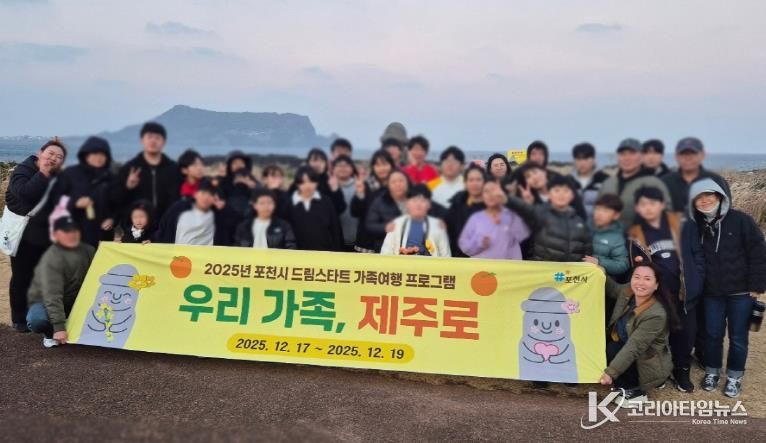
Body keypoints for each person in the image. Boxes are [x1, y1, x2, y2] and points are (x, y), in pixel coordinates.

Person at [689, 178, 766, 398]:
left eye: (709, 195)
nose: (704, 201)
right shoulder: (696, 226)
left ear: (719, 196)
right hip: (712, 293)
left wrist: (757, 285)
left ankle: (734, 377)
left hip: (741, 292)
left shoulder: (741, 220)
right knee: (712, 335)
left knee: (738, 337)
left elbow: (758, 253)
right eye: (699, 198)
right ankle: (712, 371)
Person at [627, 186, 705, 393]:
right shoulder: (635, 231)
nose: (648, 208)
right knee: (656, 335)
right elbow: (635, 264)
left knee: (684, 334)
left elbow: (698, 255)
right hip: (656, 294)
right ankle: (658, 372)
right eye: (643, 204)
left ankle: (682, 370)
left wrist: (697, 280)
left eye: (653, 203)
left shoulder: (684, 224)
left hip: (683, 291)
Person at [4, 139, 67, 332]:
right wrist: (43, 173)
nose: (53, 158)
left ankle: (40, 315)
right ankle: (19, 319)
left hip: (46, 236)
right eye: (50, 153)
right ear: (40, 153)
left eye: (59, 157)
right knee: (22, 277)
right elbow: (26, 194)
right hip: (23, 237)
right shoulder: (23, 171)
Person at [600, 263, 677, 408]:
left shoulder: (656, 314)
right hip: (626, 347)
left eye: (647, 279)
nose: (640, 282)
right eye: (637, 277)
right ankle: (624, 384)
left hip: (647, 361)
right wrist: (599, 270)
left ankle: (635, 391)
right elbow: (613, 288)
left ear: (656, 285)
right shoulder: (628, 292)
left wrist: (610, 373)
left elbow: (634, 347)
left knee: (613, 349)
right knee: (610, 346)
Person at [26, 216, 95, 348]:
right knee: (37, 321)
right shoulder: (51, 258)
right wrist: (59, 327)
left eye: (74, 231)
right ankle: (49, 333)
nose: (72, 235)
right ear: (56, 235)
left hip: (75, 299)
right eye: (66, 232)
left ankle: (73, 324)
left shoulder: (89, 250)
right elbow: (52, 295)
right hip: (47, 300)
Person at [507, 175, 592, 262]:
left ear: (572, 195)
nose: (561, 194)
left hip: (571, 270)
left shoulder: (580, 222)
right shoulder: (539, 213)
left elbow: (587, 251)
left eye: (566, 191)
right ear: (549, 194)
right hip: (543, 269)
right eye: (557, 190)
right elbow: (522, 209)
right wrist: (510, 197)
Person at [48, 136, 114, 248]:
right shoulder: (70, 173)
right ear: (86, 154)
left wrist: (113, 219)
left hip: (103, 235)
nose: (99, 158)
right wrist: (75, 203)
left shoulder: (110, 177)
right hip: (74, 231)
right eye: (95, 153)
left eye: (103, 154)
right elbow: (55, 198)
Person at [111, 122, 183, 224]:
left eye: (157, 138)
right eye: (149, 137)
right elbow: (115, 199)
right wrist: (127, 187)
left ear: (164, 142)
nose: (153, 141)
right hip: (137, 227)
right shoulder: (130, 168)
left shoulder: (174, 169)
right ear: (142, 140)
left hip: (168, 226)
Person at [598, 138, 671, 228]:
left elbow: (668, 212)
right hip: (608, 234)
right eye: (622, 154)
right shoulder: (608, 183)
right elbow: (597, 211)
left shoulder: (653, 183)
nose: (627, 158)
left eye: (632, 153)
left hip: (641, 235)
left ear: (642, 157)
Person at [154, 178, 239, 246]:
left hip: (207, 260)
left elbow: (236, 228)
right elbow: (163, 231)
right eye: (203, 193)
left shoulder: (219, 214)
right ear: (196, 194)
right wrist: (152, 241)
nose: (206, 198)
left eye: (211, 194)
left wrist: (225, 208)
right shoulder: (178, 209)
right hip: (179, 258)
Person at [458, 181, 530, 260]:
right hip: (481, 266)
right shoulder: (475, 218)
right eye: (486, 191)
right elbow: (463, 244)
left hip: (508, 266)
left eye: (494, 190)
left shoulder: (511, 215)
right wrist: (479, 244)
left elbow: (523, 234)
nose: (490, 195)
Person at [661, 137, 730, 212]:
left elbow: (726, 210)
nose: (688, 158)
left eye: (693, 153)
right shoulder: (664, 182)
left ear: (702, 155)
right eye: (683, 153)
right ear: (676, 156)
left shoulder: (716, 180)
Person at [380, 185, 450, 256]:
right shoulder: (396, 224)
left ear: (429, 204)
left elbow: (446, 255)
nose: (418, 205)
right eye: (414, 200)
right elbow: (385, 252)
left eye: (422, 201)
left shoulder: (437, 225)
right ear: (407, 203)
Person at [288, 166, 344, 251]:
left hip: (325, 253)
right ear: (297, 184)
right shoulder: (289, 204)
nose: (308, 186)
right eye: (303, 182)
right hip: (298, 255)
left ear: (317, 182)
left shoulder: (326, 201)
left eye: (311, 181)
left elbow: (335, 229)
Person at [351, 150, 396, 253]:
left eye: (385, 164)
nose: (382, 168)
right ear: (373, 167)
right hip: (366, 244)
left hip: (390, 244)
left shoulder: (397, 186)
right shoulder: (366, 185)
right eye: (378, 165)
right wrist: (360, 193)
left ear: (391, 165)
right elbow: (355, 212)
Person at [364, 169, 410, 253]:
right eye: (393, 182)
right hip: (386, 249)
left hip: (413, 247)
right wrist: (385, 227)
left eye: (401, 180)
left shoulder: (417, 199)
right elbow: (370, 225)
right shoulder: (379, 202)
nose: (398, 184)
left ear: (408, 182)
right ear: (388, 185)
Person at [445, 164, 487, 258]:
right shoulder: (457, 204)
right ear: (465, 183)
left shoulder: (493, 205)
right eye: (471, 180)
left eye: (478, 179)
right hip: (461, 259)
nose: (475, 183)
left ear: (484, 182)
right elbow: (451, 234)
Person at [586, 193, 630, 278]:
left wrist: (599, 262)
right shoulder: (584, 227)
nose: (599, 214)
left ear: (616, 215)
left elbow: (622, 265)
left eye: (605, 211)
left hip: (601, 279)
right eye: (597, 209)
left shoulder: (617, 238)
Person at [570, 142, 609, 218]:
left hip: (596, 223)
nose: (582, 163)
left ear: (594, 159)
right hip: (572, 223)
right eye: (578, 159)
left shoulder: (605, 179)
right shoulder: (568, 180)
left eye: (586, 159)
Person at [304, 148, 346, 214]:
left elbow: (341, 208)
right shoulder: (301, 180)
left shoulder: (330, 181)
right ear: (308, 162)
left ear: (325, 164)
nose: (318, 164)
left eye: (322, 161)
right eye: (315, 160)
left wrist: (335, 190)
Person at [331, 155, 359, 251]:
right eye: (339, 165)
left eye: (346, 165)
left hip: (357, 242)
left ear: (352, 168)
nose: (343, 168)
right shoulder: (327, 187)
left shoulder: (359, 186)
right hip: (334, 242)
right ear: (333, 168)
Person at [219, 151, 258, 217]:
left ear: (245, 165)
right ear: (229, 166)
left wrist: (250, 185)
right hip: (229, 216)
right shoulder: (224, 181)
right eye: (234, 163)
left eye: (241, 163)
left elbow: (262, 195)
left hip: (249, 216)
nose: (238, 165)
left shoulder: (252, 180)